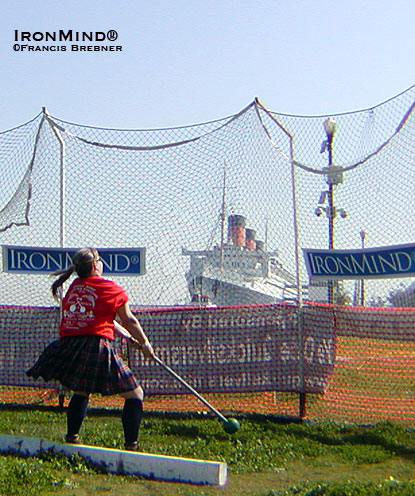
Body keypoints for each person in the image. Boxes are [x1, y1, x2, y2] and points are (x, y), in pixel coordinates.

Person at [26, 247, 155, 451]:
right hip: (95, 345)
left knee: (81, 390)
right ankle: (132, 446)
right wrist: (146, 344)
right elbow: (129, 319)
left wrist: (128, 338)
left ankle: (72, 437)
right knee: (135, 394)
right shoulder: (111, 288)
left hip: (70, 344)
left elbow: (105, 319)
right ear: (96, 265)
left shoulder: (75, 286)